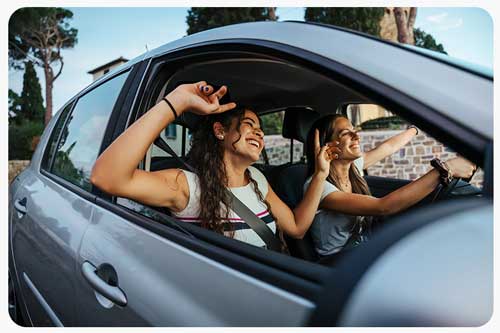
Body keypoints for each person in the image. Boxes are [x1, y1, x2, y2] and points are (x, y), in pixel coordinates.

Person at [91, 81, 341, 248]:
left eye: (261, 129)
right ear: (220, 131)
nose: (260, 133)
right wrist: (176, 102)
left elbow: (297, 228)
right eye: (250, 125)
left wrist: (320, 174)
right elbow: (106, 178)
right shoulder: (186, 185)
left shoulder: (257, 179)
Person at [304, 114, 476, 257]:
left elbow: (389, 147)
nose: (356, 136)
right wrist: (446, 169)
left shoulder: (352, 168)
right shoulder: (319, 186)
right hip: (338, 260)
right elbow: (383, 207)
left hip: (362, 245)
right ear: (327, 146)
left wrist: (416, 128)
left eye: (354, 130)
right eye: (345, 133)